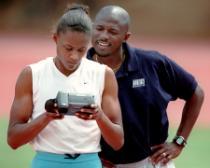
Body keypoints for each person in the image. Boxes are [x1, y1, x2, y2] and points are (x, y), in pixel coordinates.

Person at [7, 4, 124, 168]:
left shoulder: (103, 74)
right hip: (46, 163)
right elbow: (13, 140)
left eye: (81, 49)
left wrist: (98, 116)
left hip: (88, 163)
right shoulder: (32, 74)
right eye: (68, 48)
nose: (74, 56)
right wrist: (47, 117)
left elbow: (118, 141)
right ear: (55, 39)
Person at [87, 5, 204, 168]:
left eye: (112, 32)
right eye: (99, 29)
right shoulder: (79, 69)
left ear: (125, 36)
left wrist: (179, 141)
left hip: (151, 162)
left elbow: (196, 93)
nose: (103, 36)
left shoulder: (153, 64)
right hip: (100, 163)